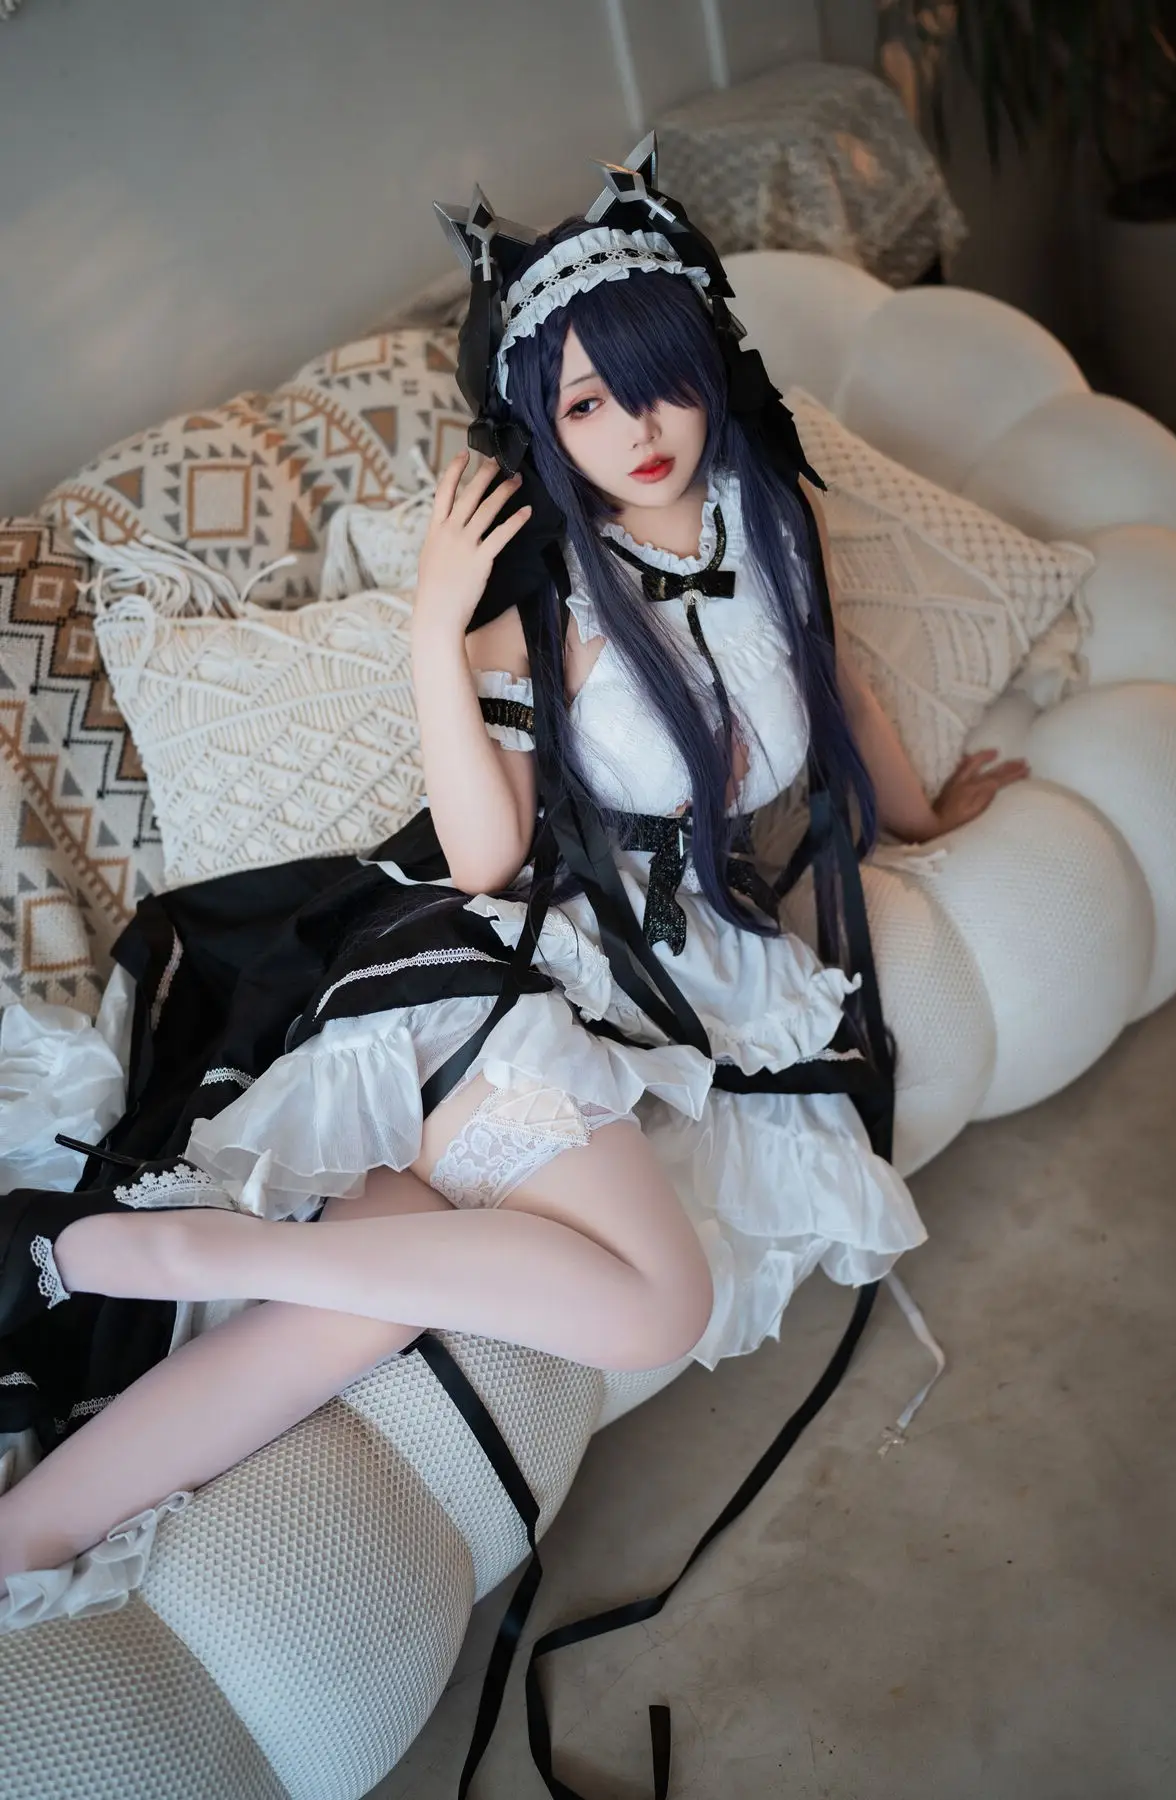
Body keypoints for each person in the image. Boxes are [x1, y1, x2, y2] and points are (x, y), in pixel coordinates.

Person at [0, 140, 1027, 1625]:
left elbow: (834, 677)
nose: (637, 430)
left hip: (664, 969)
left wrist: (923, 813)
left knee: (365, 1299)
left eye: (655, 382)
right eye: (587, 403)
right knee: (658, 1302)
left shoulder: (772, 521)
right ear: (545, 425)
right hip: (507, 965)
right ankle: (183, 1246)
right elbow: (486, 861)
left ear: (706, 364)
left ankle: (30, 1527)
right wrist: (436, 629)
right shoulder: (554, 611)